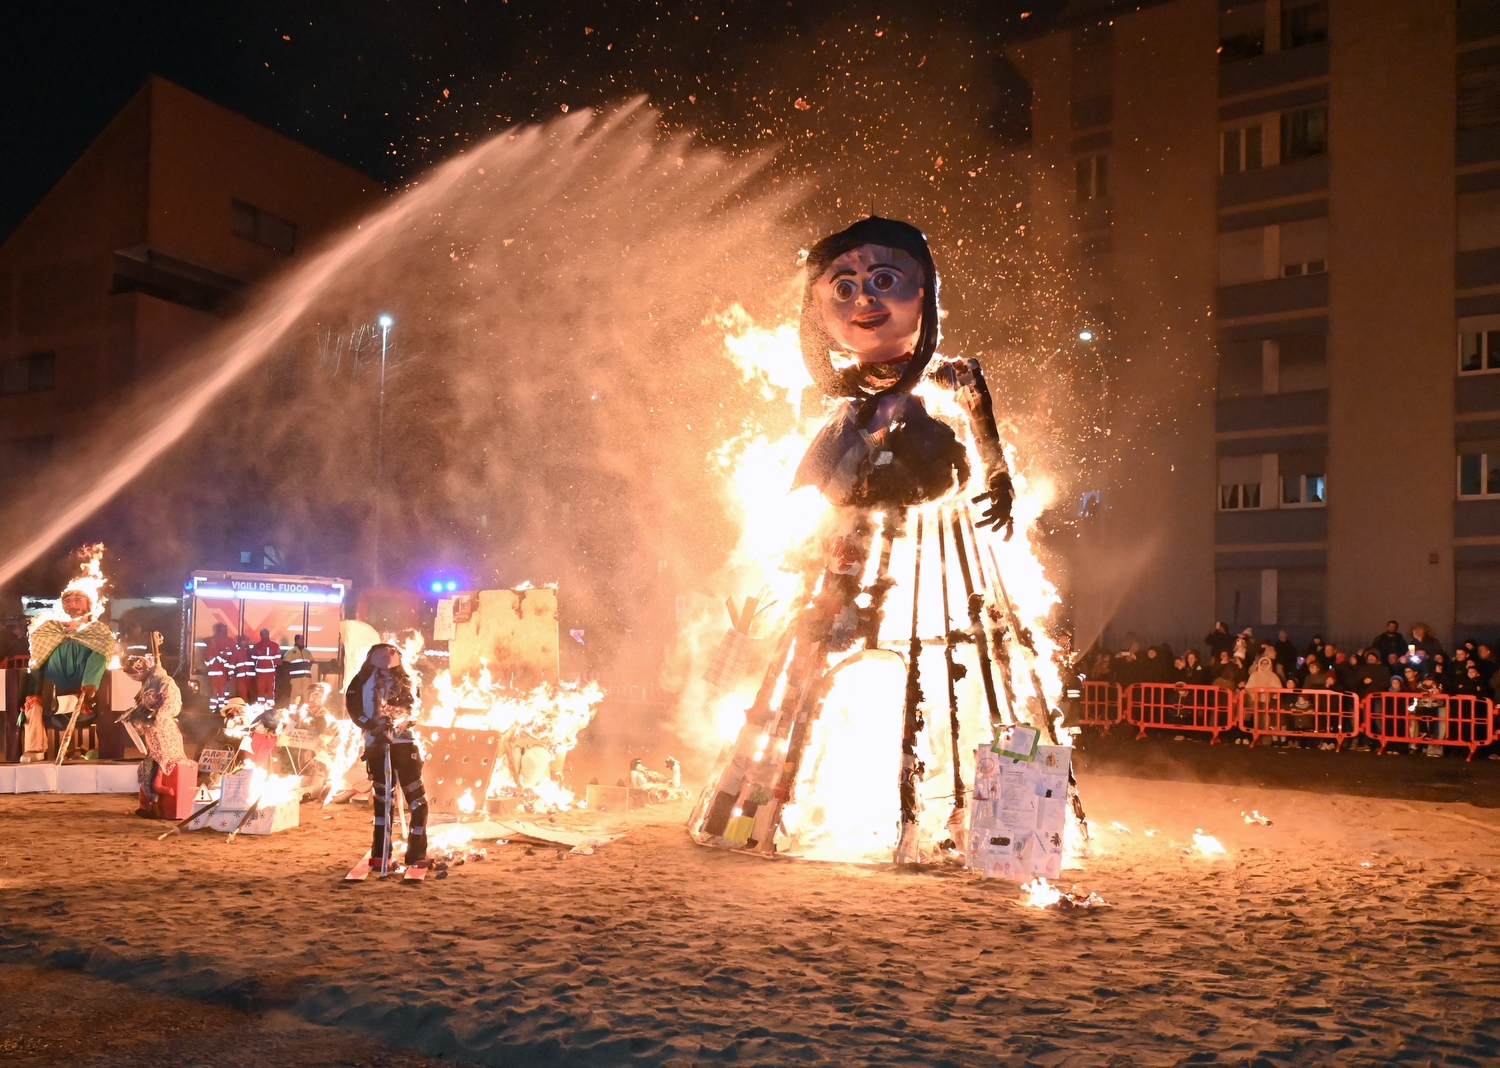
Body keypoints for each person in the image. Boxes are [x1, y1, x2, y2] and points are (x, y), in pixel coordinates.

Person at [347, 644, 428, 873]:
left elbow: (414, 709)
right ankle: (380, 856)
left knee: (418, 802)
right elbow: (355, 711)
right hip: (377, 747)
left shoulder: (407, 681)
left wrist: (400, 717)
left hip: (405, 745)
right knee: (383, 805)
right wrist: (375, 726)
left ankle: (416, 855)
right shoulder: (360, 682)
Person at [20, 583, 115, 762]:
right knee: (33, 705)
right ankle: (35, 750)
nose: (72, 604)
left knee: (60, 701)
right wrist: (32, 690)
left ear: (89, 605)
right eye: (68, 600)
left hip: (79, 696)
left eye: (78, 600)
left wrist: (89, 685)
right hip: (50, 692)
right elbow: (38, 662)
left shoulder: (97, 632)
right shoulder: (50, 630)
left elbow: (99, 657)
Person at [121, 651, 186, 817]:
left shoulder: (164, 682)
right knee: (149, 766)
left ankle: (156, 804)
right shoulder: (149, 682)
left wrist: (158, 716)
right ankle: (151, 803)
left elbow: (172, 704)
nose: (133, 678)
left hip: (163, 729)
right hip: (153, 730)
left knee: (158, 765)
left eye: (135, 675)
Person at [203, 623, 236, 714]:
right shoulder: (229, 641)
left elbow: (207, 661)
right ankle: (222, 710)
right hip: (222, 673)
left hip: (214, 673)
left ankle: (213, 709)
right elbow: (232, 656)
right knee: (222, 692)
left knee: (215, 692)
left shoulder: (211, 643)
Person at [250, 628, 281, 703]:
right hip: (261, 673)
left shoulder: (274, 645)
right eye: (263, 633)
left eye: (266, 633)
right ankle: (261, 706)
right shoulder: (257, 646)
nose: (265, 635)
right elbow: (253, 658)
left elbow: (278, 659)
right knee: (260, 690)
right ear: (260, 635)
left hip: (269, 673)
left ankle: (269, 707)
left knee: (270, 690)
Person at [284, 633, 314, 705]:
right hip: (295, 678)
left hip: (306, 677)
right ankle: (293, 710)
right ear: (296, 641)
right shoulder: (290, 652)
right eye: (300, 640)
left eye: (302, 640)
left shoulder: (307, 652)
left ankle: (306, 710)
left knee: (306, 694)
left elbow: (311, 662)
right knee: (296, 694)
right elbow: (286, 664)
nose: (302, 641)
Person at [233, 633, 257, 702]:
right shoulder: (237, 652)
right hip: (241, 677)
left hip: (251, 678)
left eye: (245, 641)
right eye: (242, 641)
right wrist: (232, 675)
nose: (243, 642)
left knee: (253, 693)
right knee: (242, 694)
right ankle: (244, 708)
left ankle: (253, 707)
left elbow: (256, 663)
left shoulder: (252, 651)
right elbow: (232, 664)